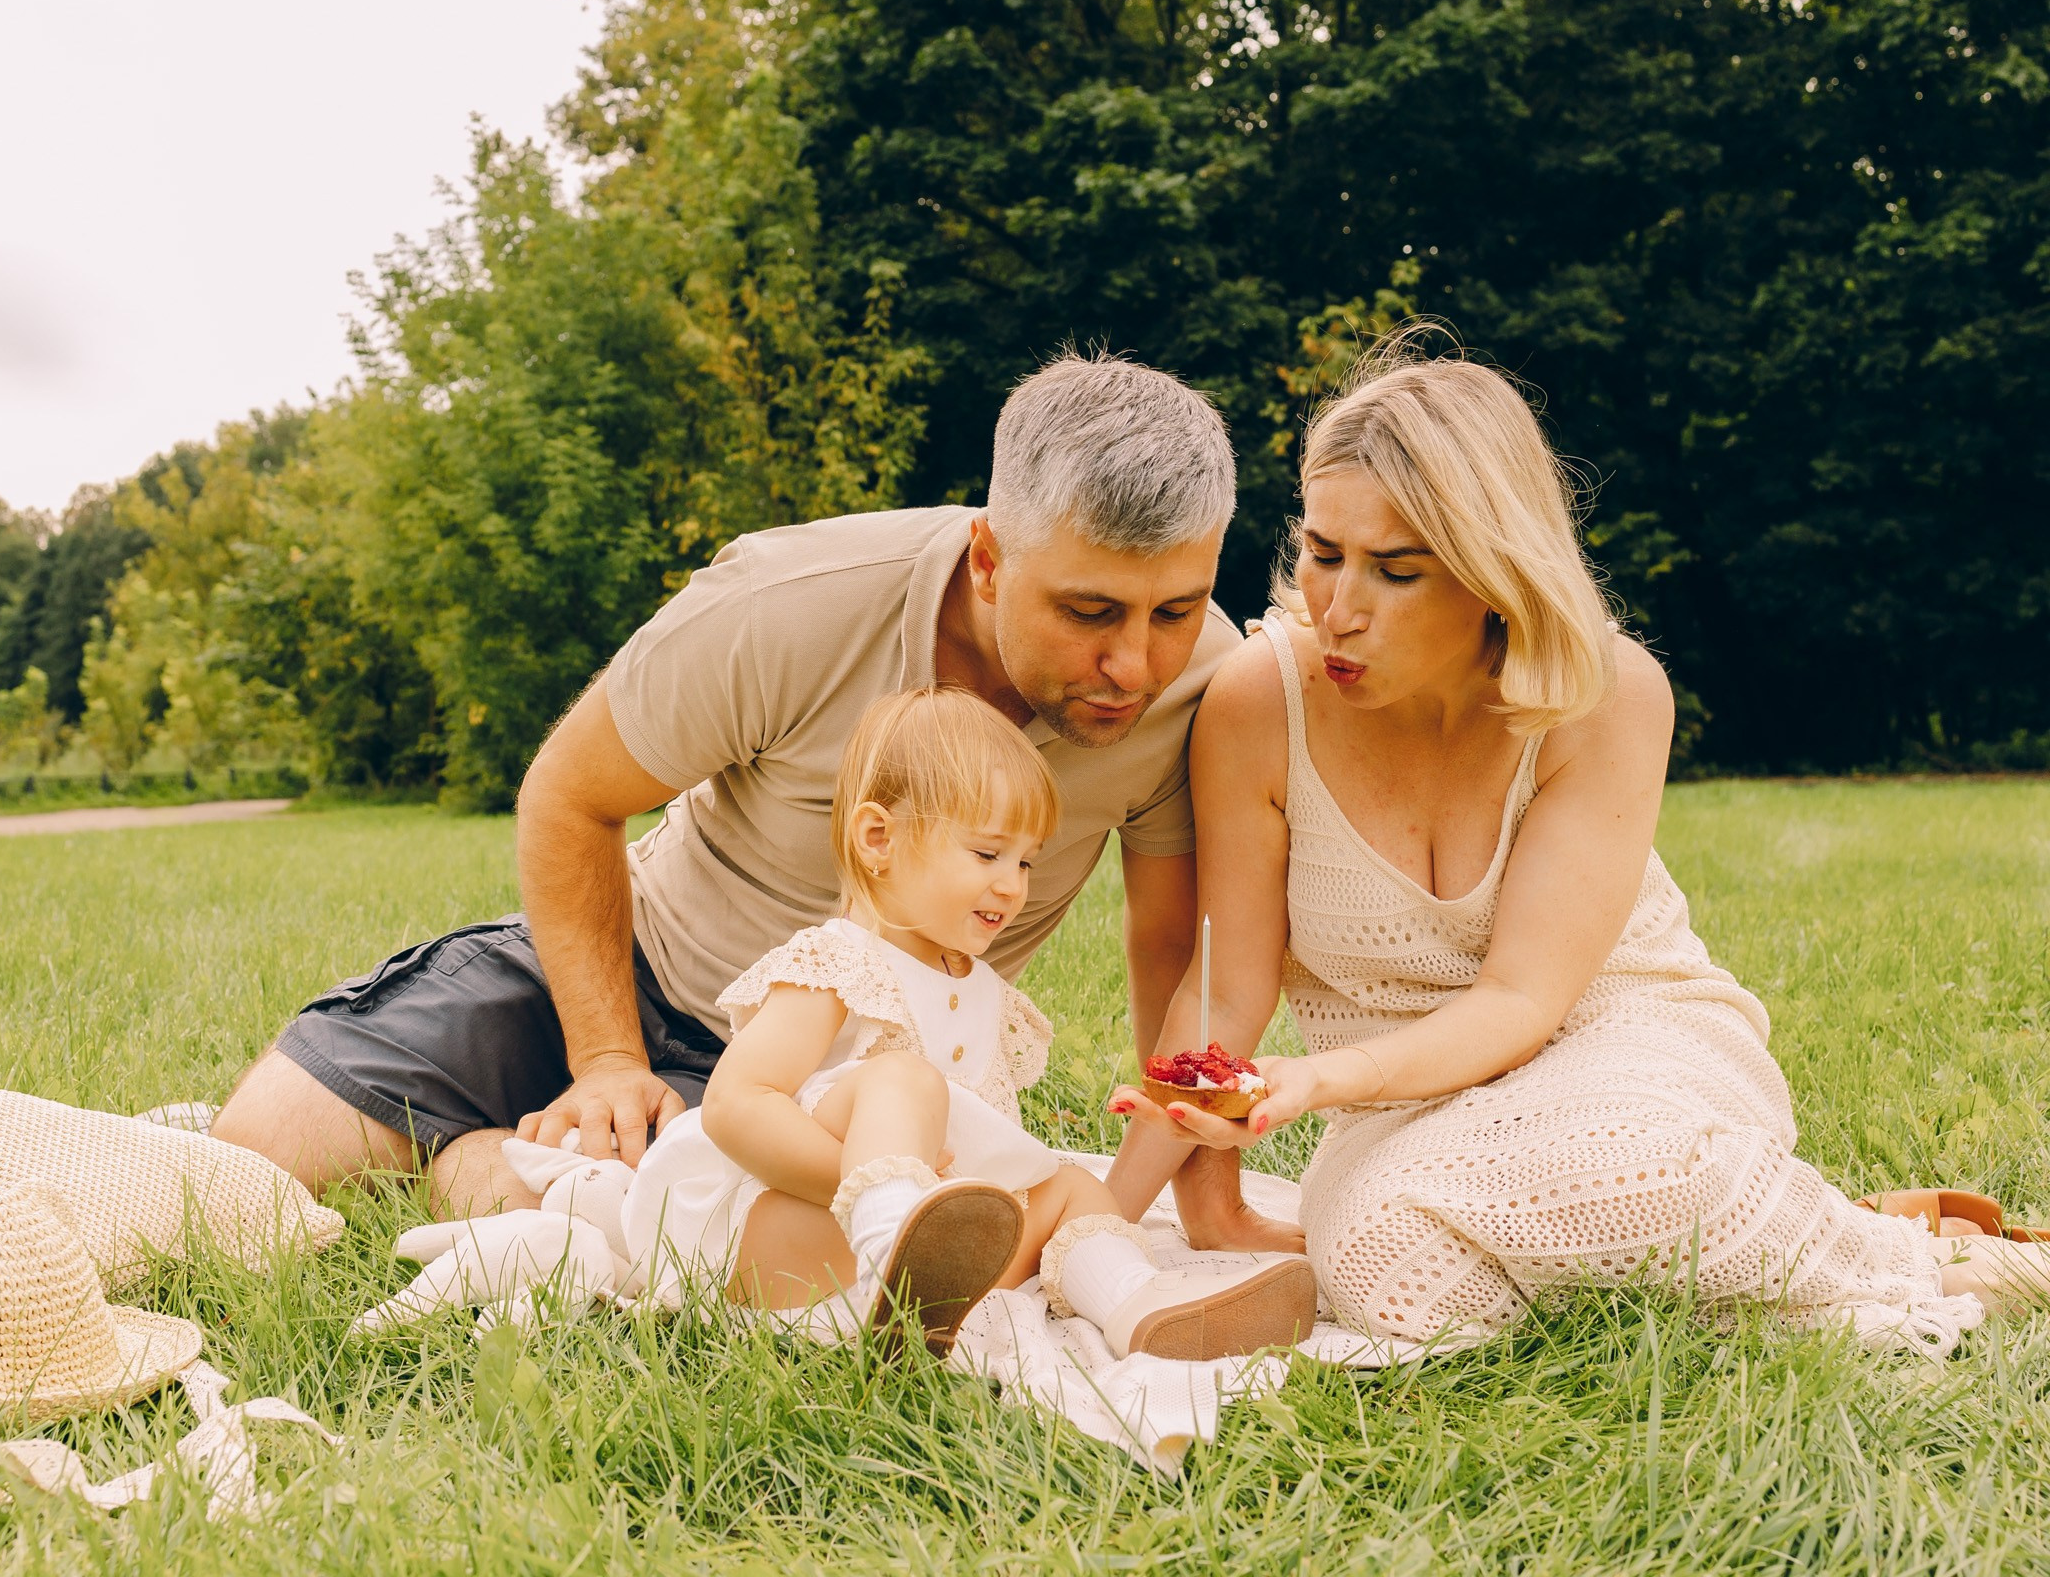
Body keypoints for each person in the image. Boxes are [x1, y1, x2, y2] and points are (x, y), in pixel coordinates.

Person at [212, 352, 1300, 1257]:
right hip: (628, 969)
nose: (1131, 662)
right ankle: (554, 1129)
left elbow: (1171, 943)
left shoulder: (1196, 682)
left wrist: (1199, 1196)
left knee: (819, 1260)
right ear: (986, 557)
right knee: (254, 1159)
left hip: (843, 1089)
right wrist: (605, 1063)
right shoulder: (792, 602)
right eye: (1089, 610)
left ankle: (495, 1165)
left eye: (1176, 609)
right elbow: (569, 793)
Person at [1103, 329, 2043, 1353]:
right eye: (1323, 554)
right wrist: (1113, 1215)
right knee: (1379, 1263)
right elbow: (1226, 992)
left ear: (1489, 571)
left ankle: (1943, 1270)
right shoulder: (1258, 702)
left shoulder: (1605, 694)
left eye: (1396, 570)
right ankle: (1778, 1261)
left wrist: (1319, 1079)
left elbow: (1521, 1001)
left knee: (1632, 1162)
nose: (1339, 607)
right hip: (1403, 1110)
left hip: (1621, 1043)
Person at [611, 687, 1316, 1357]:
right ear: (877, 838)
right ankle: (897, 1250)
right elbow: (737, 1105)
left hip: (948, 1252)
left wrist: (972, 1201)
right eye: (987, 854)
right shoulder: (839, 962)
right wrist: (881, 1188)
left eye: (1025, 861)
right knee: (905, 1081)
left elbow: (990, 1151)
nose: (1012, 884)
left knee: (1071, 1188)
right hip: (792, 1230)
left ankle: (1142, 1309)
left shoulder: (989, 998)